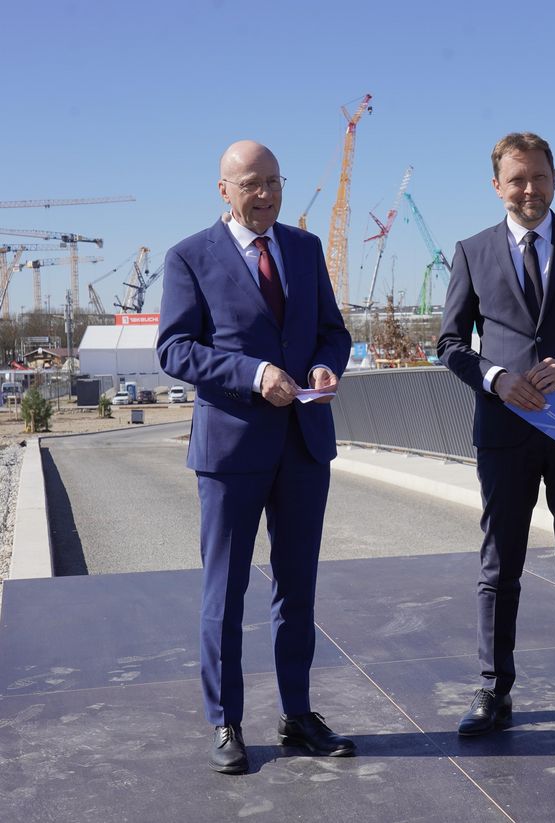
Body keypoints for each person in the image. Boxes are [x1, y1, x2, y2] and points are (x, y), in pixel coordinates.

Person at [158, 140, 354, 774]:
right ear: (224, 190)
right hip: (231, 449)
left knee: (298, 588)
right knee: (226, 591)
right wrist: (252, 373)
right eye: (251, 184)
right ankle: (226, 722)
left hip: (303, 443)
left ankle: (297, 716)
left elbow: (333, 331)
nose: (266, 194)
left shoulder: (305, 248)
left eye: (274, 181)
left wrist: (324, 365)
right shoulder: (189, 257)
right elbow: (175, 350)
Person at [437, 132, 555, 736]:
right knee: (500, 566)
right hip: (504, 430)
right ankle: (493, 690)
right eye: (517, 179)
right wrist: (494, 379)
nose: (529, 189)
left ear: (554, 178)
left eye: (539, 177)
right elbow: (449, 343)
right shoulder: (471, 251)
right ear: (497, 185)